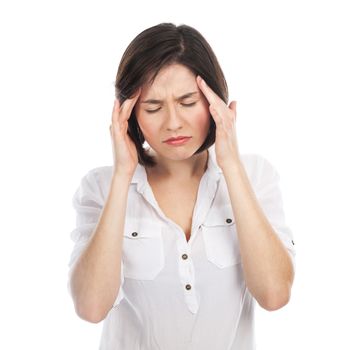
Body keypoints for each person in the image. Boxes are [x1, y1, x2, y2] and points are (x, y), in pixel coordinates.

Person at [68, 22, 296, 350]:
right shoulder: (101, 187)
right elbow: (91, 308)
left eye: (188, 102)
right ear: (129, 114)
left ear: (214, 100)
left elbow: (275, 294)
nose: (173, 122)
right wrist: (122, 176)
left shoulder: (256, 177)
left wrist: (230, 164)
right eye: (153, 107)